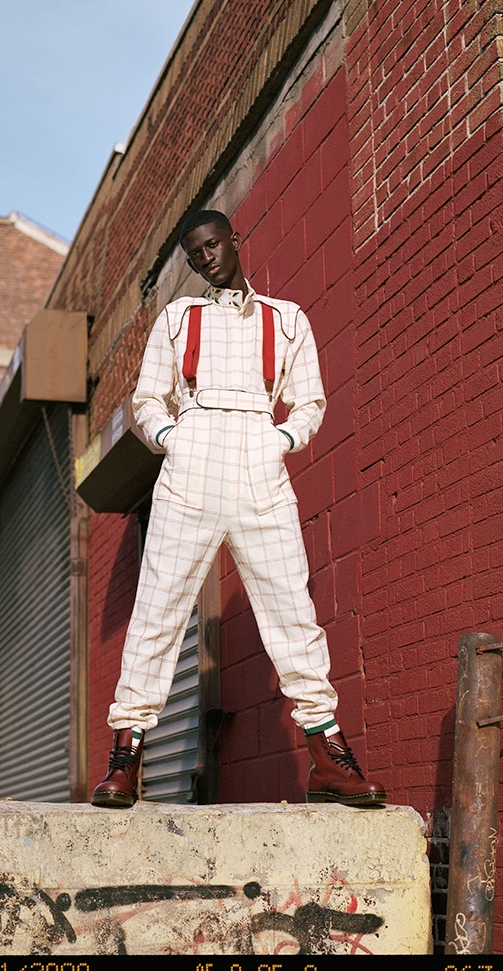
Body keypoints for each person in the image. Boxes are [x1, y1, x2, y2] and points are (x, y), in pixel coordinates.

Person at [91, 210, 386, 809]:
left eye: (212, 245)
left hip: (260, 464)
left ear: (234, 240)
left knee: (292, 610)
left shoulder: (287, 319)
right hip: (191, 465)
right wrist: (173, 439)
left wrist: (279, 441)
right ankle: (126, 760)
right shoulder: (178, 318)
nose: (205, 258)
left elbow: (309, 401)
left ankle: (329, 759)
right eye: (193, 253)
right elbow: (147, 399)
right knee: (158, 608)